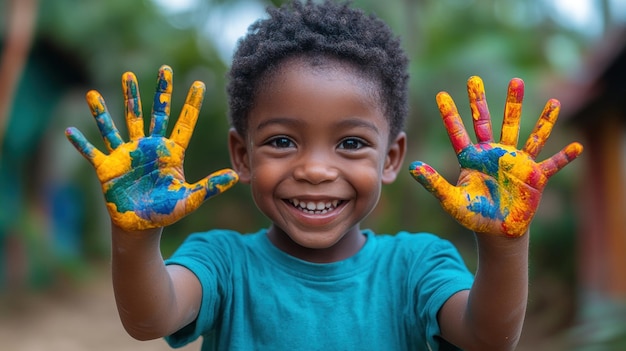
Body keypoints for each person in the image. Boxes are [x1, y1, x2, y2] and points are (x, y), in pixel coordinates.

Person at [64, 1, 583, 350]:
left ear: (391, 157)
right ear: (242, 156)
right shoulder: (221, 261)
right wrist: (136, 235)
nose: (314, 169)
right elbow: (148, 319)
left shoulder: (416, 266)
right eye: (282, 141)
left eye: (351, 143)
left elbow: (488, 338)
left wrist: (505, 245)